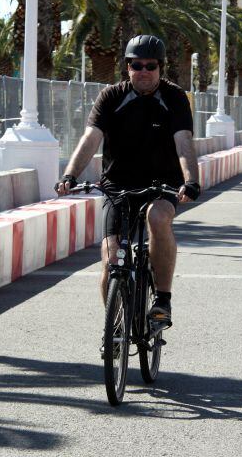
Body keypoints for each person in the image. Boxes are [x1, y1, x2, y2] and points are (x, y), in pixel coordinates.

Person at [55, 34, 200, 330]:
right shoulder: (111, 97)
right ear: (128, 67)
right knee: (110, 261)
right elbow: (91, 138)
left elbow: (183, 141)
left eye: (151, 66)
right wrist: (70, 175)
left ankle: (162, 299)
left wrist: (191, 180)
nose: (144, 71)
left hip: (162, 183)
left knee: (158, 217)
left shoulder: (173, 98)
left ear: (161, 68)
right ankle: (115, 330)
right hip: (117, 185)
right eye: (137, 65)